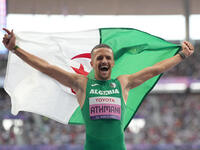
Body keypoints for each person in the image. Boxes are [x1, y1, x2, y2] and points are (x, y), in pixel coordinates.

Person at [2, 28, 194, 150]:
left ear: (112, 63)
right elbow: (47, 68)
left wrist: (182, 56)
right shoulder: (82, 84)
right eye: (100, 58)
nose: (104, 60)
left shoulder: (122, 83)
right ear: (92, 63)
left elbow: (155, 69)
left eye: (108, 58)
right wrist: (16, 49)